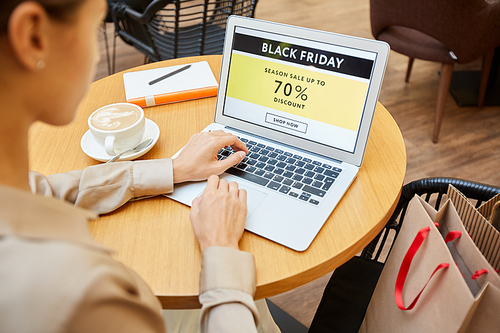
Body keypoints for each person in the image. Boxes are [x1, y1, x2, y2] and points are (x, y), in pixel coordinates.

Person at [0, 0, 280, 332]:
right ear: (33, 37)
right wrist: (219, 248)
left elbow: (41, 190)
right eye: (93, 28)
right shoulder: (81, 296)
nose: (97, 57)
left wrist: (172, 169)